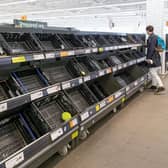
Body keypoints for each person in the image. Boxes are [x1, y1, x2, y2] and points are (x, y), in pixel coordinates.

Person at [146, 25, 165, 93]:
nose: (146, 32)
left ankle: (161, 86)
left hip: (153, 57)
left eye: (147, 31)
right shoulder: (156, 36)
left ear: (148, 30)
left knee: (153, 72)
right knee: (153, 71)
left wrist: (148, 58)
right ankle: (154, 85)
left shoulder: (151, 37)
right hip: (157, 56)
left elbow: (151, 48)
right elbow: (155, 47)